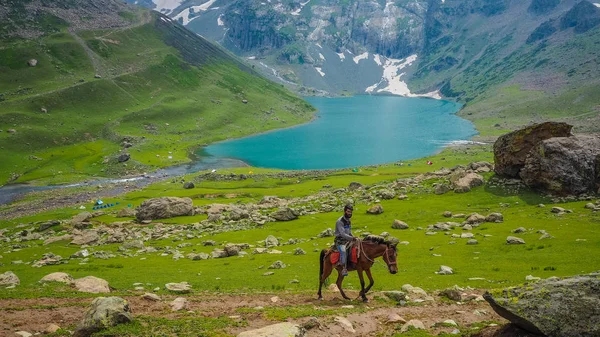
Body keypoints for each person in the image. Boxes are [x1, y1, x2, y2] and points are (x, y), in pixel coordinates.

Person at [335, 204, 355, 276]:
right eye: (348, 211)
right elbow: (343, 234)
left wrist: (354, 237)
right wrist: (352, 238)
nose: (350, 213)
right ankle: (343, 267)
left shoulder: (348, 221)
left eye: (351, 212)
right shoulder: (340, 221)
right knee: (343, 251)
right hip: (340, 240)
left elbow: (349, 232)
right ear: (344, 211)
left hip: (347, 239)